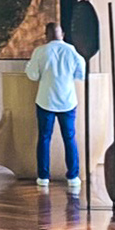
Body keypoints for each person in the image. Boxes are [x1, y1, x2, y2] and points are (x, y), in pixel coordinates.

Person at [23, 22, 86, 192]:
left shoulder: (40, 52)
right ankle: (73, 177)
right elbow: (81, 73)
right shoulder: (72, 51)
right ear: (63, 34)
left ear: (46, 35)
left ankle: (43, 177)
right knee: (70, 138)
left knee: (44, 138)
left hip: (46, 100)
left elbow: (33, 76)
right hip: (68, 101)